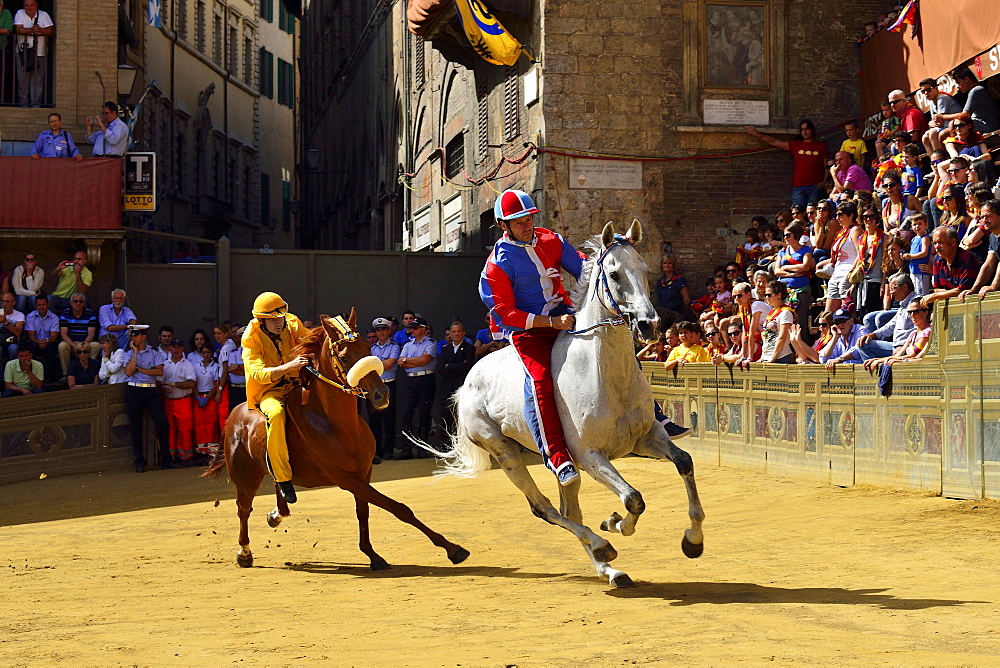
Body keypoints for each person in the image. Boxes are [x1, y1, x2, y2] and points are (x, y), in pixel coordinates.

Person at [241, 291, 310, 503]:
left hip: (298, 383)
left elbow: (311, 338)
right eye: (272, 320)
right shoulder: (250, 339)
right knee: (277, 414)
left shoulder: (292, 322)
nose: (278, 324)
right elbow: (259, 374)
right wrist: (289, 366)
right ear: (261, 320)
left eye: (280, 318)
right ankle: (282, 479)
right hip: (269, 391)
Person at [825, 275, 915, 366]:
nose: (891, 292)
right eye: (836, 322)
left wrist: (903, 347)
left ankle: (880, 371)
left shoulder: (915, 304)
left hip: (906, 347)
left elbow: (917, 330)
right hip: (895, 345)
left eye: (893, 288)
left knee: (875, 319)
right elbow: (890, 326)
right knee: (863, 343)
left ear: (905, 287)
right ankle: (874, 369)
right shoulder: (903, 305)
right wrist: (873, 335)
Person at [123, 324, 176, 472]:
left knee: (163, 424)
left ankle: (166, 459)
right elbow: (128, 372)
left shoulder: (154, 353)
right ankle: (139, 461)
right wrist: (134, 353)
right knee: (135, 427)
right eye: (132, 335)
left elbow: (159, 372)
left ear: (143, 336)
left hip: (151, 391)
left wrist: (139, 369)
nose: (133, 338)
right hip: (134, 390)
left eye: (135, 335)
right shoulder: (128, 353)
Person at [745, 119, 829, 207]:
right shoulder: (795, 145)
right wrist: (757, 134)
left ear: (812, 130)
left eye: (807, 129)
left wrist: (823, 182)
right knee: (797, 213)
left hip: (815, 186)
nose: (804, 131)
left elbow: (827, 166)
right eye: (802, 129)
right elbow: (774, 142)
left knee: (814, 213)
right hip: (798, 186)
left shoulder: (821, 146)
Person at [396, 316, 437, 459]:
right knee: (407, 413)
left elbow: (426, 360)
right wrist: (414, 361)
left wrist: (408, 361)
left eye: (414, 328)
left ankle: (422, 449)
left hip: (426, 379)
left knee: (424, 414)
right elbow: (401, 362)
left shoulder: (431, 343)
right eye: (410, 328)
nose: (411, 330)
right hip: (411, 380)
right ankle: (407, 449)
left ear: (423, 329)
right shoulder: (408, 344)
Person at [816, 200, 862, 314]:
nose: (837, 218)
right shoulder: (842, 232)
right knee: (828, 314)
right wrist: (824, 263)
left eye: (840, 214)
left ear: (851, 215)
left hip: (847, 275)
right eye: (836, 215)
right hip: (836, 273)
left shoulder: (855, 230)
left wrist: (851, 273)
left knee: (846, 313)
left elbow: (860, 253)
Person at [921, 226, 981, 310]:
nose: (937, 246)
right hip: (950, 307)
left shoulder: (967, 258)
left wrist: (938, 295)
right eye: (935, 243)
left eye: (940, 242)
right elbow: (937, 289)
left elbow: (963, 290)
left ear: (953, 242)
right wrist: (951, 293)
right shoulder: (937, 259)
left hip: (970, 306)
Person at [773, 223, 814, 344]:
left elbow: (806, 266)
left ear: (796, 235)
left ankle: (804, 351)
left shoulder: (806, 249)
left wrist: (786, 267)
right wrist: (792, 274)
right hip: (785, 290)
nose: (785, 238)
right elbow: (777, 270)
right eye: (784, 235)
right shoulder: (783, 252)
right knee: (784, 321)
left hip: (801, 290)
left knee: (801, 322)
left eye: (788, 235)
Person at [863, 303, 933, 371]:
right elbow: (899, 354)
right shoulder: (913, 333)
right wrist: (878, 360)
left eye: (916, 312)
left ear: (925, 312)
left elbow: (913, 355)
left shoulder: (927, 332)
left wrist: (889, 360)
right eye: (909, 312)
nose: (912, 315)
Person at [368, 317, 401, 460]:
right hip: (374, 387)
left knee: (389, 420)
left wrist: (374, 365)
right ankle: (377, 451)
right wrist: (381, 363)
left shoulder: (394, 346)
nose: (381, 332)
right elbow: (372, 366)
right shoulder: (372, 348)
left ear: (388, 331)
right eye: (378, 330)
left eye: (383, 329)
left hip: (388, 384)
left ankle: (388, 450)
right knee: (374, 420)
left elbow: (390, 363)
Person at [160, 338, 197, 464]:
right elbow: (159, 381)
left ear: (182, 349)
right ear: (170, 348)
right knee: (169, 429)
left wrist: (174, 384)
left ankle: (185, 457)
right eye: (173, 347)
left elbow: (191, 383)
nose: (176, 350)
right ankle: (171, 456)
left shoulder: (187, 364)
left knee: (185, 429)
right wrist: (164, 387)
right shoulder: (165, 364)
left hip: (183, 401)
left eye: (178, 347)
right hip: (169, 401)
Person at [437, 320, 475, 439]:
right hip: (447, 387)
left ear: (463, 333)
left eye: (459, 331)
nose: (456, 334)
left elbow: (467, 366)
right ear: (450, 334)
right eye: (454, 332)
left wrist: (450, 366)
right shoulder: (445, 349)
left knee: (461, 416)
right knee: (446, 417)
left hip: (461, 386)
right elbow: (440, 368)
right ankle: (445, 445)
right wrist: (457, 365)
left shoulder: (469, 348)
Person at [934, 67, 1000, 134]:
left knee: (946, 132)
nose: (957, 86)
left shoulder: (976, 91)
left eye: (958, 82)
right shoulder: (977, 89)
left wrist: (942, 117)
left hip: (987, 125)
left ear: (967, 79)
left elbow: (965, 115)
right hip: (981, 122)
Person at [13, 0, 53, 108]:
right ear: (23, 6)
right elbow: (18, 29)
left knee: (38, 81)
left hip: (40, 53)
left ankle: (36, 106)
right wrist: (32, 29)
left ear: (36, 6)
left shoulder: (44, 15)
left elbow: (50, 31)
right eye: (27, 5)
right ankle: (24, 106)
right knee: (23, 80)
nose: (29, 7)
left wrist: (39, 30)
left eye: (32, 5)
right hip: (23, 53)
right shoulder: (20, 13)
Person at [959, 200, 1000, 302]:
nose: (984, 220)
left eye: (988, 216)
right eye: (982, 217)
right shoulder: (992, 237)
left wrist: (993, 286)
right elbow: (989, 264)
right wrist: (973, 290)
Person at [57, 293, 99, 376]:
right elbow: (64, 334)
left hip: (85, 342)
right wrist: (74, 346)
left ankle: (87, 372)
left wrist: (83, 346)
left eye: (80, 301)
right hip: (71, 343)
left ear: (83, 303)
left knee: (96, 345)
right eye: (75, 301)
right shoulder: (65, 314)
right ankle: (67, 374)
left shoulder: (90, 314)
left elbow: (91, 334)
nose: (78, 303)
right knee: (62, 346)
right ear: (71, 303)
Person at [192, 345, 222, 458]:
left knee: (211, 424)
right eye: (204, 352)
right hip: (198, 397)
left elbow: (216, 384)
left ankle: (212, 453)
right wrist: (197, 397)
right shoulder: (195, 366)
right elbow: (192, 383)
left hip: (210, 397)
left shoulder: (216, 366)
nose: (206, 354)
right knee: (199, 424)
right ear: (201, 353)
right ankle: (201, 452)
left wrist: (207, 398)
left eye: (208, 352)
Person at [920, 77, 963, 154]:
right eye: (923, 91)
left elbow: (940, 119)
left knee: (933, 132)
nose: (926, 93)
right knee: (925, 138)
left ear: (936, 88)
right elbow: (933, 121)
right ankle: (934, 161)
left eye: (928, 90)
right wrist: (930, 123)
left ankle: (941, 158)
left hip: (957, 125)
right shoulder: (932, 103)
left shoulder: (942, 98)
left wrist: (935, 122)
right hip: (944, 126)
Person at [759, 281, 796, 364]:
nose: (767, 297)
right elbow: (766, 336)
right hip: (767, 356)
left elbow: (782, 337)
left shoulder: (786, 313)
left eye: (769, 295)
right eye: (765, 295)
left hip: (781, 356)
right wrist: (763, 356)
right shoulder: (771, 312)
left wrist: (773, 358)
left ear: (779, 295)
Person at [25, 293, 59, 381]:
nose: (41, 307)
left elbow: (54, 336)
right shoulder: (30, 317)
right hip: (35, 342)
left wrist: (46, 341)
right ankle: (32, 376)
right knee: (32, 347)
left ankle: (50, 378)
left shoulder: (54, 318)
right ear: (36, 306)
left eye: (43, 304)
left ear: (48, 305)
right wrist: (38, 342)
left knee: (51, 348)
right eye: (39, 305)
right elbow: (31, 335)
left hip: (49, 342)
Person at [652, 255, 691, 327]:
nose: (667, 265)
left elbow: (687, 300)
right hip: (663, 316)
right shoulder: (660, 282)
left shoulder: (679, 280)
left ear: (673, 266)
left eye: (669, 263)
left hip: (675, 315)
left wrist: (684, 314)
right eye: (664, 263)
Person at [225, 328, 246, 413]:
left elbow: (253, 370)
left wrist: (237, 367)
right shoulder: (234, 353)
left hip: (247, 388)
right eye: (242, 336)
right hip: (235, 389)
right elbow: (230, 369)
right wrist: (244, 369)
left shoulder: (255, 352)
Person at [0, 291, 25, 364]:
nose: (4, 304)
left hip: (12, 341)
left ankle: (12, 372)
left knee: (14, 349)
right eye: (3, 301)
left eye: (7, 301)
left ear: (13, 303)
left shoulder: (19, 315)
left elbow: (18, 332)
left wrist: (5, 322)